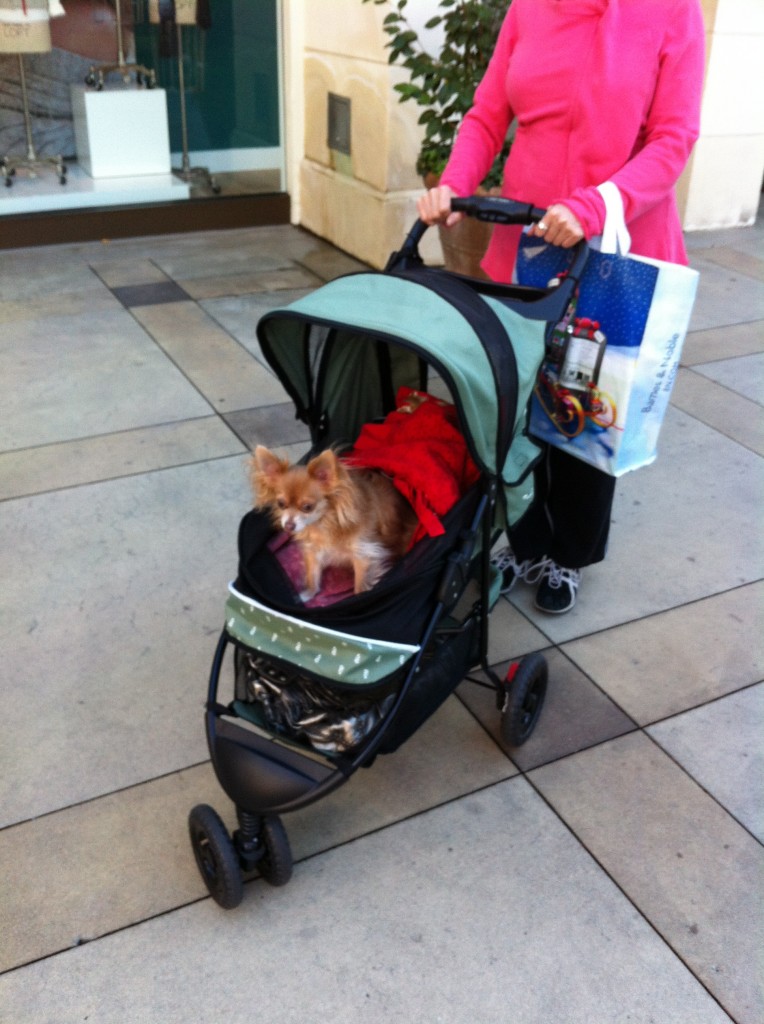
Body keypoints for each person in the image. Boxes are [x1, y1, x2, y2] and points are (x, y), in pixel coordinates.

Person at [417, 0, 705, 613]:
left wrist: (595, 205)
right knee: (520, 403)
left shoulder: (672, 11)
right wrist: (454, 182)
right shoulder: (530, 7)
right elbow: (488, 113)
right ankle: (524, 538)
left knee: (587, 415)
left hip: (615, 248)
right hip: (526, 245)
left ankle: (569, 555)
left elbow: (674, 139)